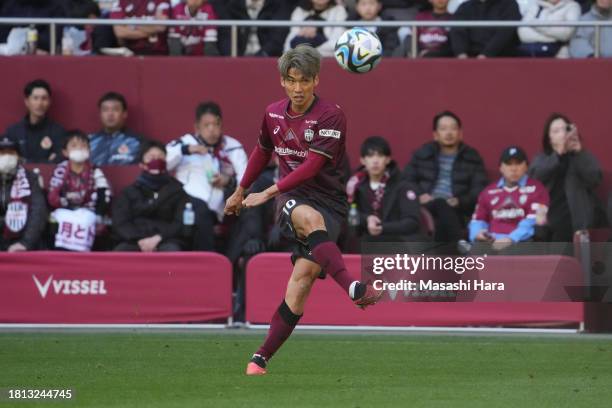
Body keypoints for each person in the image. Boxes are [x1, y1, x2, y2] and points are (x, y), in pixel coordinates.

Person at [224, 44, 383, 376]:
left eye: (305, 81)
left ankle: (260, 358)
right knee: (308, 217)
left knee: (301, 282)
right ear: (282, 80)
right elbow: (261, 152)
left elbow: (312, 166)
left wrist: (265, 192)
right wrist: (240, 191)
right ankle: (355, 289)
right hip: (293, 197)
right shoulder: (272, 113)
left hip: (332, 203)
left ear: (316, 81)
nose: (298, 89)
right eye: (291, 80)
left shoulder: (331, 115)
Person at [166, 102, 247, 251]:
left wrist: (228, 181)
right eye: (206, 125)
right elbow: (163, 162)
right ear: (197, 127)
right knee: (200, 210)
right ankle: (207, 262)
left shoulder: (232, 146)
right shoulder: (185, 142)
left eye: (215, 124)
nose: (211, 130)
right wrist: (187, 150)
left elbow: (246, 177)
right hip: (187, 202)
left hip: (221, 205)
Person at [403, 111, 488, 243]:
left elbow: (480, 190)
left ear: (460, 133)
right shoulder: (422, 155)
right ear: (435, 135)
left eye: (453, 128)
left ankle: (439, 258)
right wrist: (419, 196)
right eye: (443, 129)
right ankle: (460, 245)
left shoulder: (472, 158)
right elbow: (406, 181)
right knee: (439, 203)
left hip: (457, 210)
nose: (448, 133)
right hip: (425, 207)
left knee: (442, 211)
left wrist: (460, 201)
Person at [528, 113, 605, 241]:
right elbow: (534, 179)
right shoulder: (542, 158)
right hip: (548, 227)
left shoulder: (581, 156)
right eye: (556, 131)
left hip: (576, 225)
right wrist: (558, 153)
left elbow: (595, 179)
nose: (562, 134)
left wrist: (579, 152)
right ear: (549, 138)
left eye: (565, 129)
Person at [112, 141, 190, 251]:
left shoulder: (178, 191)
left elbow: (180, 223)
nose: (156, 161)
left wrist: (158, 238)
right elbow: (121, 222)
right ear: (141, 164)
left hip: (167, 240)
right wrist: (139, 240)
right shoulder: (128, 192)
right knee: (121, 252)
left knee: (172, 251)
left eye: (160, 157)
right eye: (151, 157)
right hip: (134, 240)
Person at [469, 146, 549, 251]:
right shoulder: (488, 192)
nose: (513, 168)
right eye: (508, 164)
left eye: (518, 163)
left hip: (521, 244)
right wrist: (477, 234)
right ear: (500, 167)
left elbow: (533, 220)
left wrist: (511, 239)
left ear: (526, 166)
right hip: (490, 244)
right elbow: (478, 219)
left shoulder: (537, 189)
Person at [346, 136, 421, 242]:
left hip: (396, 243)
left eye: (380, 155)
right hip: (363, 243)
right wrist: (367, 219)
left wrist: (382, 228)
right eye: (370, 156)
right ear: (362, 160)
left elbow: (412, 222)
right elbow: (346, 213)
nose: (375, 161)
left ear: (388, 159)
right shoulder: (354, 185)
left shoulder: (403, 185)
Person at [47, 130, 111, 251]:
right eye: (74, 145)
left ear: (89, 150)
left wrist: (98, 214)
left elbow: (105, 196)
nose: (79, 149)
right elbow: (52, 197)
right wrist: (67, 201)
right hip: (65, 210)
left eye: (83, 146)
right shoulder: (60, 170)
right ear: (65, 152)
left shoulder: (95, 171)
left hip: (88, 212)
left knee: (88, 220)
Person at [0, 136, 47, 251]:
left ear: (18, 157)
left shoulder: (30, 179)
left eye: (11, 153)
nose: (6, 157)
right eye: (2, 153)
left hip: (22, 244)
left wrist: (25, 243)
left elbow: (38, 212)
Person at [5, 79, 65, 163]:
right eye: (35, 98)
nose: (40, 103)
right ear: (27, 102)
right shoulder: (13, 131)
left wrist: (23, 160)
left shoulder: (58, 131)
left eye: (44, 98)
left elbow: (59, 160)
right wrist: (47, 161)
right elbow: (9, 160)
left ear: (49, 102)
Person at [217, 0, 293, 57]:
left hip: (268, 61)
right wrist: (235, 59)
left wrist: (260, 56)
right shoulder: (232, 5)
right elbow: (225, 38)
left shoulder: (278, 5)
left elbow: (277, 39)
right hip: (238, 61)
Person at [450, 0, 522, 58]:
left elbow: (505, 33)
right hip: (468, 59)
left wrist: (485, 55)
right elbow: (457, 32)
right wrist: (461, 54)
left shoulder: (509, 4)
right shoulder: (464, 7)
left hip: (501, 60)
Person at [89, 92, 144, 166]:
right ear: (100, 114)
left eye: (115, 109)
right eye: (105, 110)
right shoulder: (88, 142)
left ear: (124, 114)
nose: (110, 114)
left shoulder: (138, 142)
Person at [284, 0, 348, 57]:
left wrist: (315, 38)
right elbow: (290, 42)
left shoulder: (339, 10)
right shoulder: (299, 11)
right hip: (300, 60)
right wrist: (301, 34)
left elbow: (336, 44)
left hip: (326, 60)